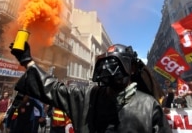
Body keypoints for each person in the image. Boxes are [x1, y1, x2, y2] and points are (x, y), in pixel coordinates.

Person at [9, 42, 171, 133]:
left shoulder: (149, 106)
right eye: (106, 63)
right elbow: (53, 89)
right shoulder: (87, 96)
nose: (109, 69)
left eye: (116, 63)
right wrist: (27, 61)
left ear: (132, 69)